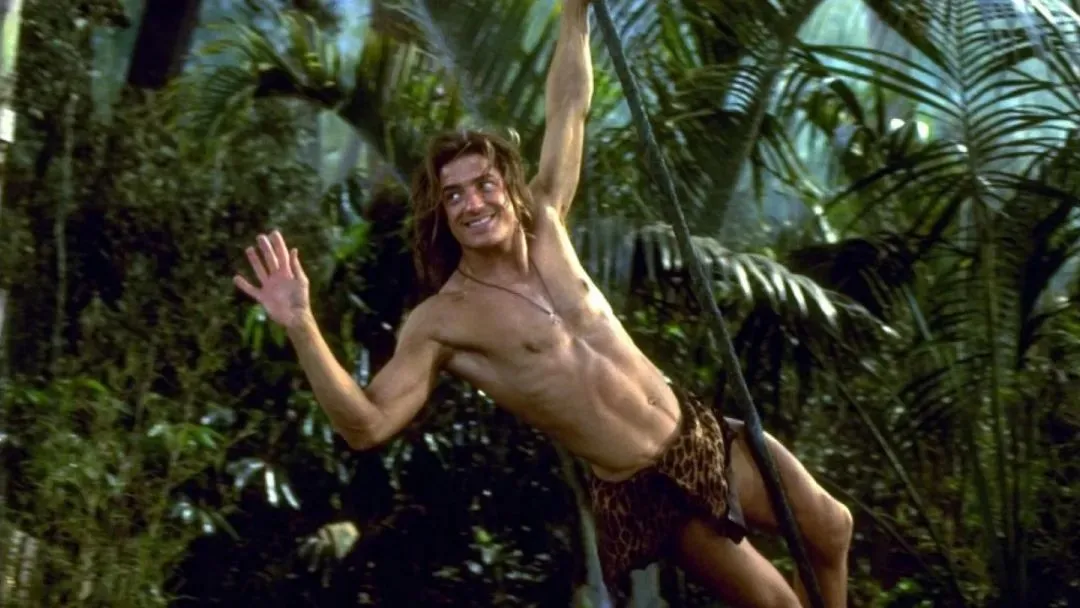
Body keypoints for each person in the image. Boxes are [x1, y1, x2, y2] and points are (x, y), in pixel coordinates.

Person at [233, 1, 852, 606]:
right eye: (454, 196)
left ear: (509, 187)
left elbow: (569, 106)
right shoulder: (443, 320)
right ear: (442, 213)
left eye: (484, 185)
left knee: (830, 527)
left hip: (696, 431)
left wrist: (574, 11)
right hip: (646, 485)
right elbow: (366, 426)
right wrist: (302, 325)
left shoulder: (548, 220)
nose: (473, 204)